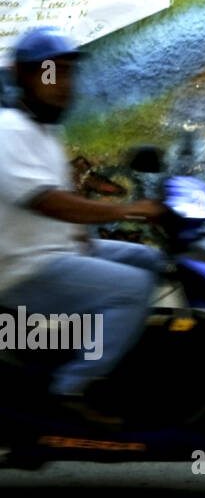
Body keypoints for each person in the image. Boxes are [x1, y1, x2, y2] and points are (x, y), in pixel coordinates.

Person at [0, 27, 168, 425]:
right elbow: (49, 202)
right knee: (133, 288)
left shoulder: (45, 131)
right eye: (51, 73)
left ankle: (115, 353)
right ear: (25, 76)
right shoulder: (8, 130)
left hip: (57, 252)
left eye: (67, 74)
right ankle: (73, 386)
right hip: (23, 269)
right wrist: (131, 210)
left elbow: (59, 205)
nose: (62, 84)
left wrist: (83, 235)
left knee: (149, 261)